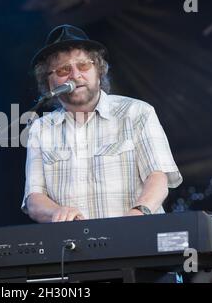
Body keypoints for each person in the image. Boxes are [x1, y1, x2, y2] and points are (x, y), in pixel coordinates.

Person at [22, 24, 183, 223]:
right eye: (64, 69)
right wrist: (57, 212)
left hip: (138, 240)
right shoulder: (41, 128)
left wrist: (138, 214)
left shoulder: (137, 112)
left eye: (83, 65)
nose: (75, 75)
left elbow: (158, 178)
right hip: (73, 249)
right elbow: (34, 199)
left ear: (99, 71)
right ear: (49, 82)